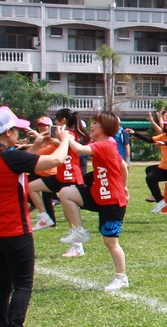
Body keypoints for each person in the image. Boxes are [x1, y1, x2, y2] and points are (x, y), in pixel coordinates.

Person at [0, 106, 71, 327]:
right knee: (23, 285)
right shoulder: (10, 156)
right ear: (7, 133)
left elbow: (15, 164)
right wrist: (65, 141)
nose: (19, 132)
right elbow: (57, 160)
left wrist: (35, 147)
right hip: (14, 230)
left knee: (2, 285)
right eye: (16, 129)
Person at [56, 111, 131, 291]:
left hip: (112, 201)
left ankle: (121, 278)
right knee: (66, 192)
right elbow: (122, 165)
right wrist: (125, 185)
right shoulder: (102, 144)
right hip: (99, 194)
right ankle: (79, 232)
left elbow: (79, 150)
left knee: (111, 243)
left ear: (105, 127)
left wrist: (65, 137)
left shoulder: (106, 144)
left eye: (95, 123)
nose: (91, 126)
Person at [132, 110, 167, 232]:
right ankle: (160, 199)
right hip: (165, 167)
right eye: (166, 124)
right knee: (150, 176)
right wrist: (134, 133)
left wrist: (163, 143)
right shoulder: (165, 135)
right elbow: (150, 140)